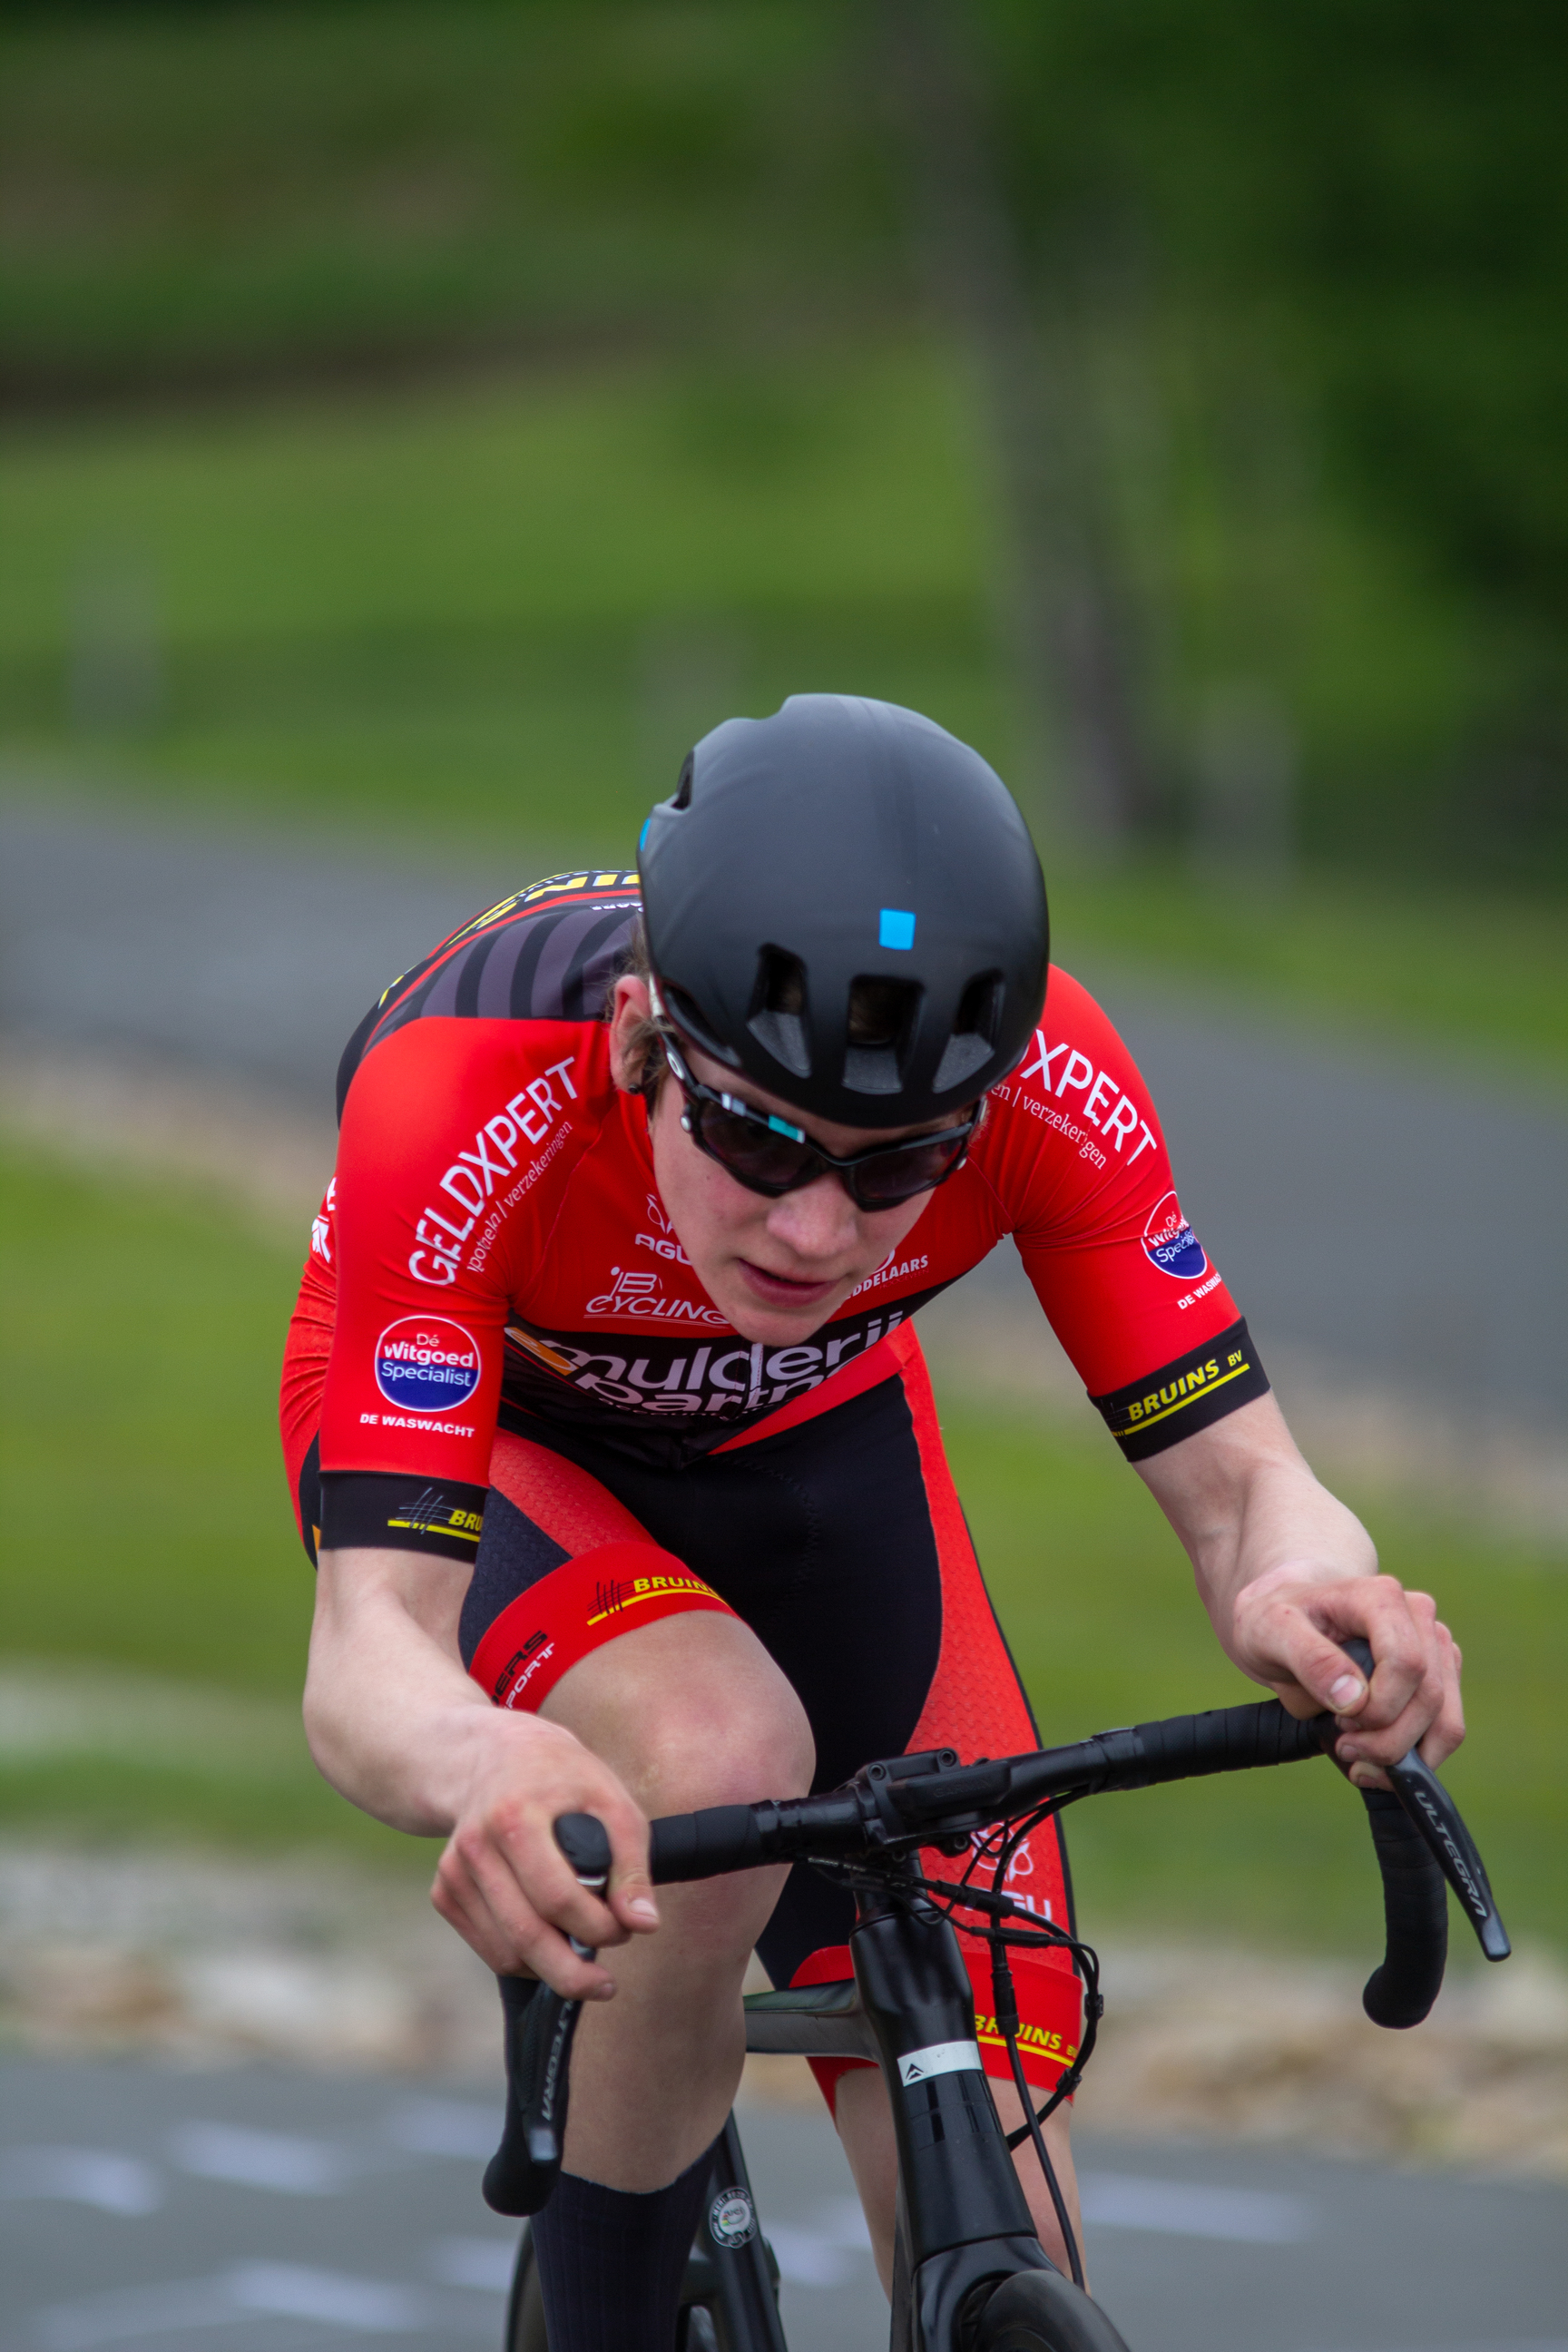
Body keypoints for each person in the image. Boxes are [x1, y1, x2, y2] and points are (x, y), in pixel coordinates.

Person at [281, 694, 1463, 2349]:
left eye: (898, 1162)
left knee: (1014, 2202)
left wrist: (1322, 1600)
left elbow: (1255, 1486)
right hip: (514, 1429)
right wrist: (484, 1760)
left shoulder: (1056, 1082)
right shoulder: (467, 1097)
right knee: (715, 1741)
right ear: (642, 1038)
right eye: (762, 1134)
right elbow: (370, 1654)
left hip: (811, 1440)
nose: (820, 1224)